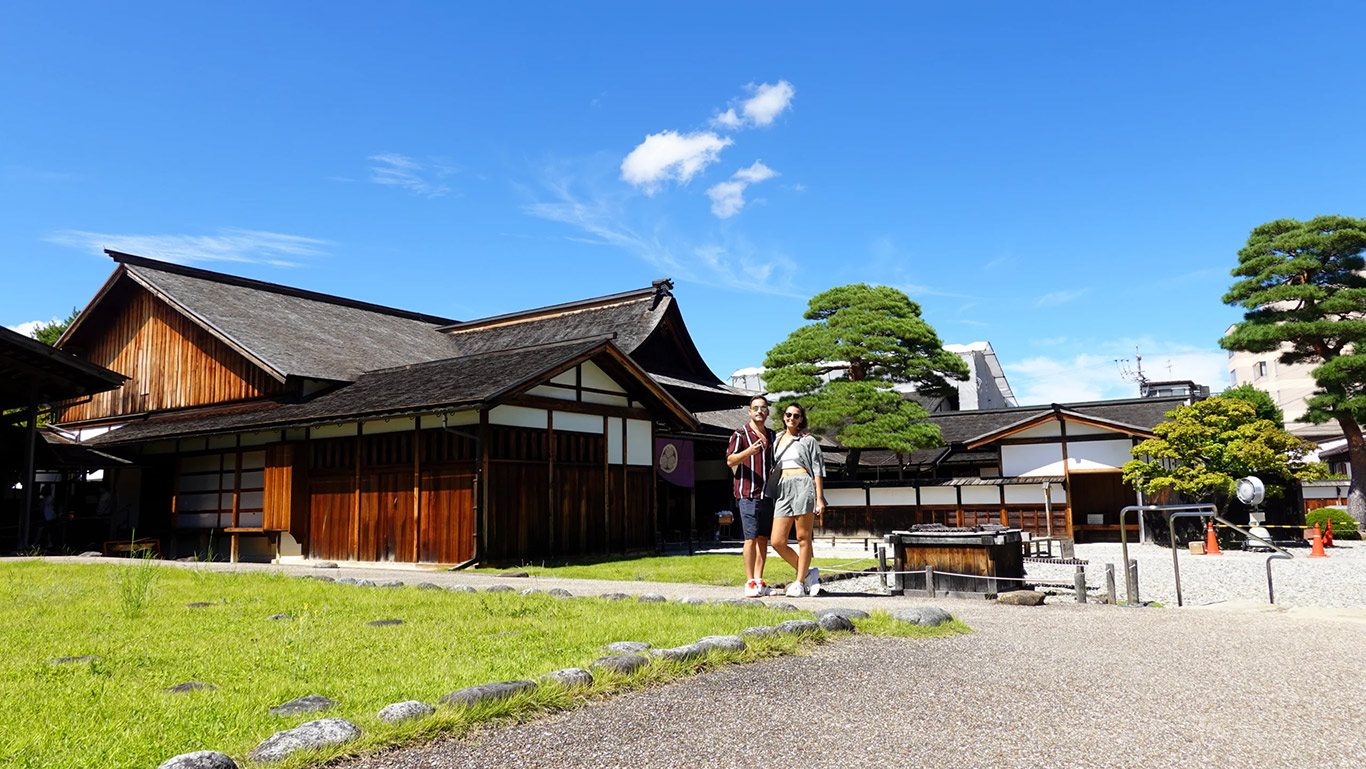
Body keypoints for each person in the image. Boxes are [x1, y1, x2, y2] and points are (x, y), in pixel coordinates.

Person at [768, 403, 826, 597]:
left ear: (801, 419)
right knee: (777, 541)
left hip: (803, 484)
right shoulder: (776, 439)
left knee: (803, 537)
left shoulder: (808, 440)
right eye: (788, 415)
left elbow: (817, 470)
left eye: (796, 415)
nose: (791, 418)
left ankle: (799, 582)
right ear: (784, 417)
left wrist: (819, 498)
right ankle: (809, 573)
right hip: (783, 486)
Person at [726, 395, 775, 597]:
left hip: (768, 493)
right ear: (749, 411)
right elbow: (730, 460)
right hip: (747, 492)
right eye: (755, 408)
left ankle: (759, 580)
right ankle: (749, 582)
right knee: (750, 538)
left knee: (763, 538)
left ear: (767, 412)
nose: (759, 411)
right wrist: (748, 452)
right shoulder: (740, 434)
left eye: (763, 408)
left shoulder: (772, 435)